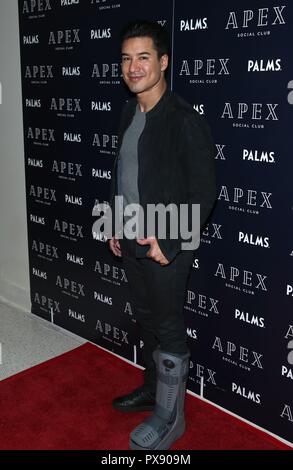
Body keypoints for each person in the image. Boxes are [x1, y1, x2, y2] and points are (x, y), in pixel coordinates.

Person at [108, 20, 216, 450]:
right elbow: (123, 176)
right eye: (126, 58)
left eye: (143, 57)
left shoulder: (184, 120)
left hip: (167, 243)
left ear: (163, 62)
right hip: (132, 236)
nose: (133, 67)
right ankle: (154, 391)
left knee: (168, 326)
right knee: (147, 319)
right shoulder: (127, 112)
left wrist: (168, 243)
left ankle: (171, 418)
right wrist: (115, 221)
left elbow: (204, 191)